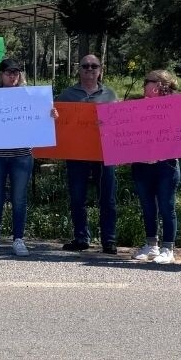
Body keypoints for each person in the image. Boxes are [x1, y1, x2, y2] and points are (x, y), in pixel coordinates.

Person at [0, 59, 58, 258]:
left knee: (19, 199)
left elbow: (41, 118)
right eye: (8, 72)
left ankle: (18, 239)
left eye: (16, 72)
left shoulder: (30, 96)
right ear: (0, 75)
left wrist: (50, 115)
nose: (12, 75)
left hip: (21, 156)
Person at [129, 70, 181, 265]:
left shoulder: (177, 107)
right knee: (148, 207)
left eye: (147, 81)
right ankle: (151, 245)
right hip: (141, 164)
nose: (143, 85)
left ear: (158, 85)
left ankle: (168, 247)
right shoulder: (134, 106)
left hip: (167, 165)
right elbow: (123, 133)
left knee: (167, 206)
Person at [57, 54, 120, 254]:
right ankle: (81, 238)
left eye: (94, 66)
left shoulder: (110, 95)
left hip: (104, 153)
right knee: (77, 197)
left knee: (107, 198)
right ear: (79, 69)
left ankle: (109, 240)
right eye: (85, 66)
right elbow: (53, 118)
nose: (90, 69)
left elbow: (120, 123)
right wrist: (53, 114)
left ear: (100, 70)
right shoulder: (67, 95)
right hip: (76, 154)